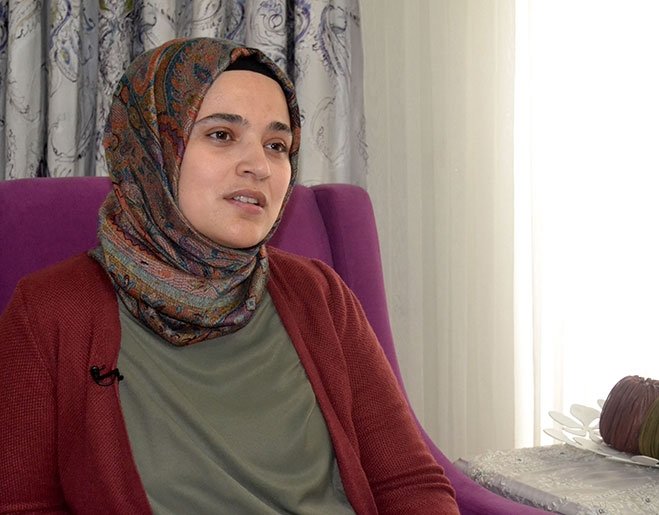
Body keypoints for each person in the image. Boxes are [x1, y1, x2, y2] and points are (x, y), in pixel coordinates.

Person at [0, 37, 459, 514]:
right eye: (221, 135)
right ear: (153, 147)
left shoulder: (319, 294)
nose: (259, 166)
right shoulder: (50, 311)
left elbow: (410, 483)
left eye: (277, 145)